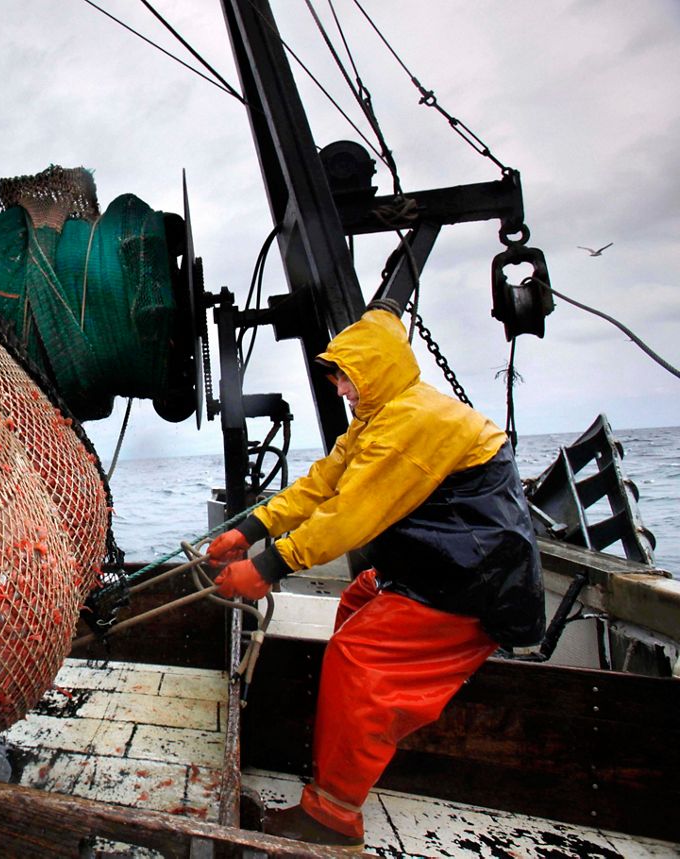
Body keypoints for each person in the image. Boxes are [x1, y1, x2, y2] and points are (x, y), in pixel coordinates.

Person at [207, 301, 546, 849]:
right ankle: (350, 747)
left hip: (471, 585)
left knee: (357, 658)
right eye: (337, 377)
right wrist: (251, 528)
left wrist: (269, 566)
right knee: (358, 599)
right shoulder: (380, 416)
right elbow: (323, 484)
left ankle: (331, 821)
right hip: (433, 564)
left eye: (345, 376)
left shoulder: (411, 424)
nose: (340, 388)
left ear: (374, 371)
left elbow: (352, 514)